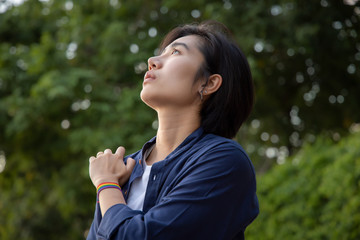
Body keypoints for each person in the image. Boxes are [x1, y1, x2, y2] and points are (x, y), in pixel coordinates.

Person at [87, 20, 259, 240]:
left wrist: (106, 185)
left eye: (176, 52)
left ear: (208, 84)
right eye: (161, 53)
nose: (152, 61)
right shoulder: (120, 170)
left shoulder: (225, 161)